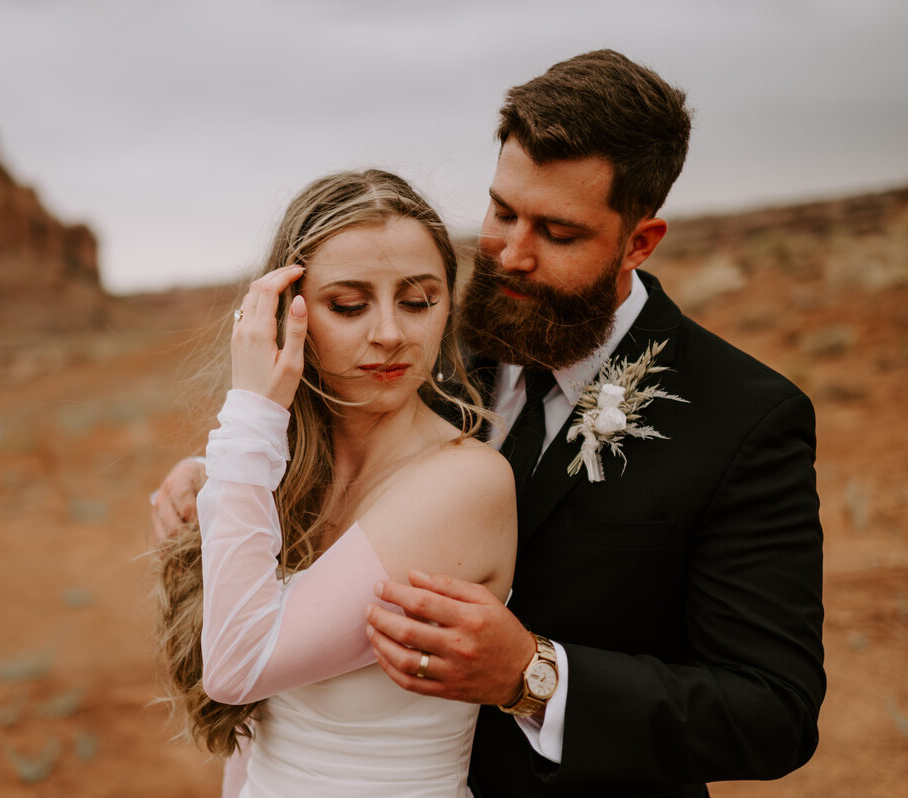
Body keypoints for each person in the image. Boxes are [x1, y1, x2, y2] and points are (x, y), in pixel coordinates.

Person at [153, 50, 826, 797]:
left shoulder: (742, 417)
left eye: (558, 233)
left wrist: (533, 676)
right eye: (502, 211)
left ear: (639, 242)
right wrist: (217, 485)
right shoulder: (427, 344)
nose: (509, 254)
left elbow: (773, 712)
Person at [155, 169, 517, 797]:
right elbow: (252, 736)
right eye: (349, 305)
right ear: (284, 316)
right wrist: (214, 475)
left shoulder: (467, 483)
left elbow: (239, 670)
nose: (389, 334)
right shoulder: (280, 471)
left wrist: (249, 415)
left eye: (418, 300)